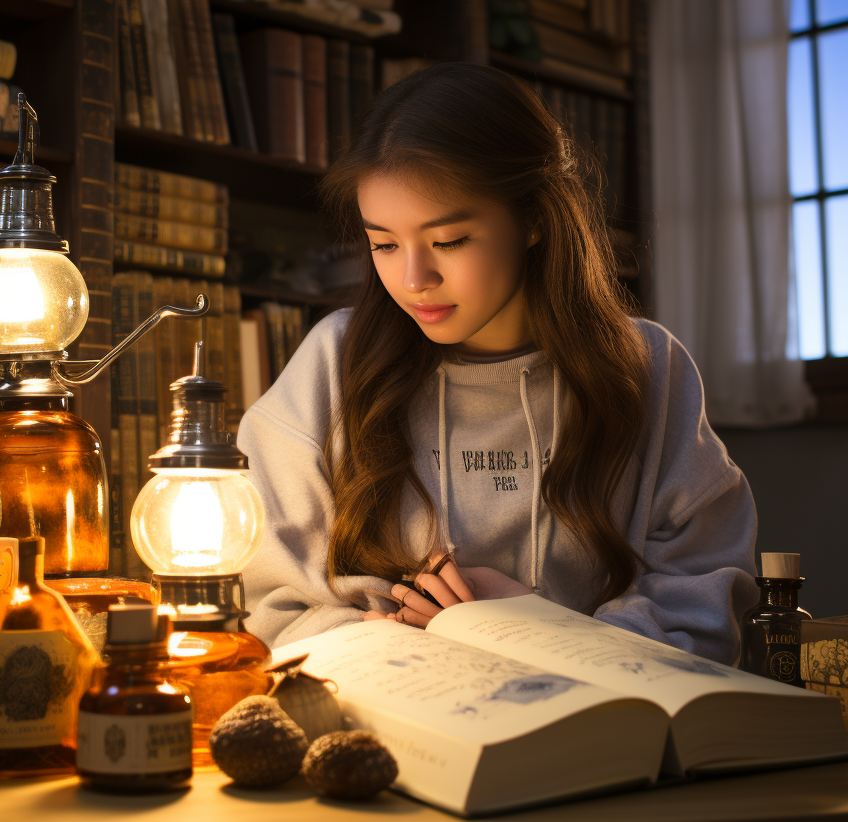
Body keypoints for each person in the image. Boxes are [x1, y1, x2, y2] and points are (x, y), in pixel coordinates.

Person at [238, 62, 757, 665]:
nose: (413, 280)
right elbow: (267, 606)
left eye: (449, 241)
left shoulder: (647, 368)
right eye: (383, 243)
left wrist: (529, 625)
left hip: (600, 734)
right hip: (400, 726)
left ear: (534, 219)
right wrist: (417, 641)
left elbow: (707, 597)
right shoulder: (334, 363)